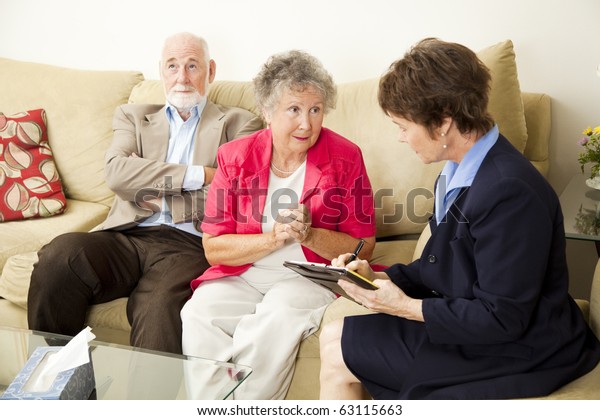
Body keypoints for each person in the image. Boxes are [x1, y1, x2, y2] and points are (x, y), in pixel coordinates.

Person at [319, 38, 600, 400]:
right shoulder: (459, 171)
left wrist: (402, 306)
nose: (401, 138)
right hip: (479, 329)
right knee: (333, 337)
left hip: (520, 347)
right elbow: (445, 266)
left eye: (403, 126)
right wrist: (376, 277)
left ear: (443, 124)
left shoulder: (509, 192)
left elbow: (502, 317)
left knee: (337, 350)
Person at [27, 32, 263, 355]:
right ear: (161, 71)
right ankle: (59, 393)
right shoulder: (133, 117)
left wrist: (146, 184)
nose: (182, 77)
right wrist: (199, 175)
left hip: (189, 244)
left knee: (158, 307)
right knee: (58, 259)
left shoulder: (240, 125)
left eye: (192, 66)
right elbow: (116, 173)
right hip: (126, 236)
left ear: (210, 72)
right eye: (172, 66)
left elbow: (233, 198)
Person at [180, 50, 376, 399]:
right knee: (197, 313)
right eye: (294, 110)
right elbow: (213, 248)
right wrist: (273, 239)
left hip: (306, 275)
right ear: (267, 112)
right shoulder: (235, 157)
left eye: (315, 110)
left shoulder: (346, 157)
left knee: (275, 318)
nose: (306, 123)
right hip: (243, 274)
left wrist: (310, 234)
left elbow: (364, 244)